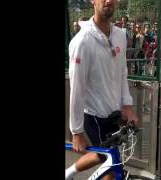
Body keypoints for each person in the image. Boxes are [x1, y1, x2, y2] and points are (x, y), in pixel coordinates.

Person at [65, 0, 140, 180]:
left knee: (106, 157)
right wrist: (76, 132)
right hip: (95, 115)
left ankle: (68, 173)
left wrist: (127, 106)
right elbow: (77, 88)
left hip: (114, 112)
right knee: (112, 164)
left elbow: (122, 72)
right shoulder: (82, 42)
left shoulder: (120, 35)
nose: (108, 1)